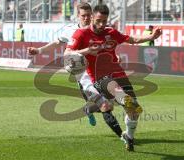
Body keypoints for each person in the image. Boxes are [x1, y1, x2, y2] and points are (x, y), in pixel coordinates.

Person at [66, 4, 162, 151]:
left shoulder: (111, 32)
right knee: (120, 95)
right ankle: (122, 100)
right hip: (100, 77)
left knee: (134, 110)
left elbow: (132, 39)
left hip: (119, 74)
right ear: (92, 17)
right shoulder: (81, 34)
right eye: (98, 20)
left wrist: (151, 36)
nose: (101, 24)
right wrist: (87, 50)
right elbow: (67, 54)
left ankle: (129, 137)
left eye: (104, 21)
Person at [27, 2, 123, 138]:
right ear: (78, 16)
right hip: (83, 75)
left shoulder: (100, 30)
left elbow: (107, 48)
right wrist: (39, 50)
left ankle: (88, 109)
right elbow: (56, 43)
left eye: (89, 15)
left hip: (99, 71)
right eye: (83, 16)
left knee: (110, 101)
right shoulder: (70, 30)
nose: (86, 18)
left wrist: (115, 56)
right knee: (104, 104)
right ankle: (124, 136)